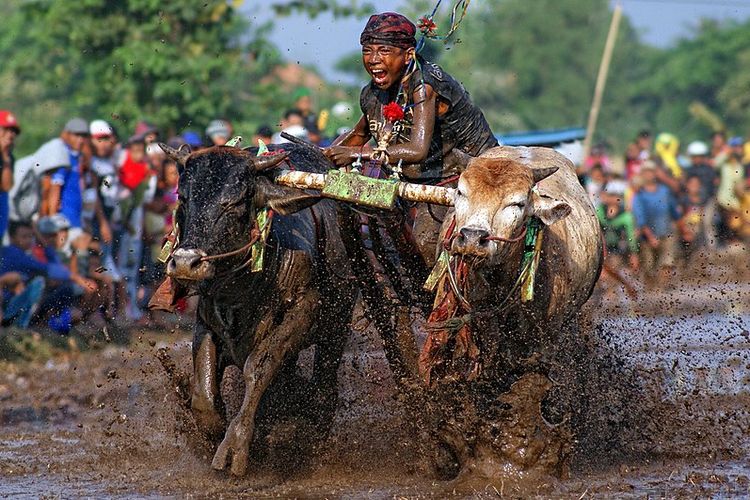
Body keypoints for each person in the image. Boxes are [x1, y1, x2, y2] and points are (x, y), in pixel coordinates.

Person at [324, 12, 497, 181]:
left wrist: (356, 154)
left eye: (384, 50)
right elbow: (359, 135)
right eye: (367, 51)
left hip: (476, 173)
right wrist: (323, 157)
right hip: (420, 177)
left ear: (408, 55)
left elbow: (417, 149)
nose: (373, 59)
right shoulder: (373, 92)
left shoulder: (424, 85)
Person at [631, 161, 689, 285]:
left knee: (667, 264)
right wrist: (651, 237)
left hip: (667, 234)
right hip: (647, 237)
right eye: (646, 172)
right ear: (642, 175)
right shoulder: (639, 196)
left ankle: (663, 293)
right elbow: (640, 220)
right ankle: (650, 294)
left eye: (651, 172)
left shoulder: (665, 191)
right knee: (648, 267)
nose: (648, 175)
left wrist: (684, 231)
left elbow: (675, 213)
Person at [0, 110, 20, 241]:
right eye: (6, 129)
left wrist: (5, 157)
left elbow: (6, 187)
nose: (10, 134)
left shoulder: (9, 157)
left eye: (13, 131)